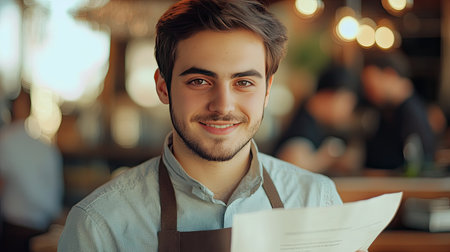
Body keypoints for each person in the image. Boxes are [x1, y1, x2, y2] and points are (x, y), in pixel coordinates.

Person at [58, 1, 363, 251]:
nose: (223, 106)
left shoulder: (317, 202)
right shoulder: (100, 225)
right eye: (200, 81)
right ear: (163, 87)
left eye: (243, 82)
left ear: (267, 91)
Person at [0, 88, 64, 252]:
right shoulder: (46, 148)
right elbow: (56, 189)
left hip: (13, 229)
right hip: (43, 226)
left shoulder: (5, 140)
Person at [274, 64, 363, 175]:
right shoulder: (303, 125)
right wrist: (327, 157)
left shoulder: (315, 122)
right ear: (329, 95)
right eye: (347, 102)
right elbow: (292, 165)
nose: (348, 111)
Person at [360, 50, 436, 174]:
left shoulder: (412, 114)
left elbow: (415, 166)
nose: (369, 91)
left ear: (390, 75)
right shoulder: (386, 110)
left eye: (371, 84)